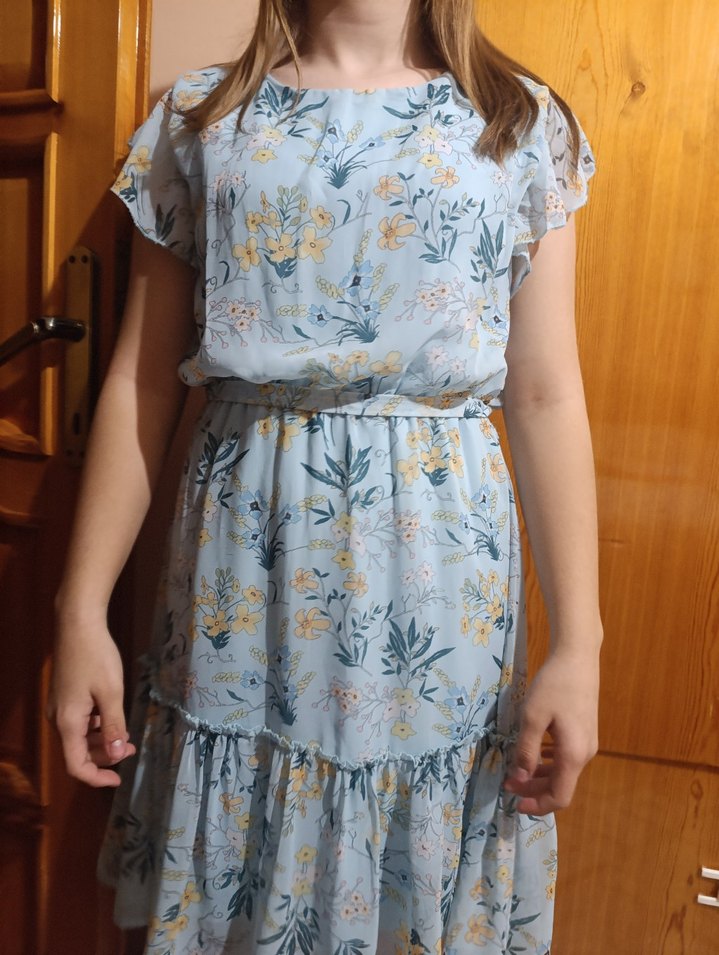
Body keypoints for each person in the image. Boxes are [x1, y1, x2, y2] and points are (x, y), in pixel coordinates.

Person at [46, 1, 603, 952]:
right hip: (242, 574)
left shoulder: (517, 117)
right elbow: (141, 379)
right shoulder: (202, 118)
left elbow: (545, 394)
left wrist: (579, 644)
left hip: (436, 583)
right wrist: (79, 610)